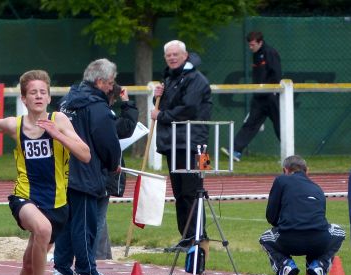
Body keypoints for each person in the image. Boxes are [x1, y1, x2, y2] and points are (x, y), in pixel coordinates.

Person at [0, 70, 90, 275]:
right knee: (41, 230)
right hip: (25, 198)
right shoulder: (15, 125)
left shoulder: (60, 120)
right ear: (23, 98)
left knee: (30, 264)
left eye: (43, 92)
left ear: (49, 95)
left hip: (57, 204)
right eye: (33, 92)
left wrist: (59, 136)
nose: (39, 96)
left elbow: (85, 155)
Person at [52, 58, 122, 275]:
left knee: (66, 224)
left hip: (64, 171)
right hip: (86, 174)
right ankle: (86, 271)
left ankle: (62, 269)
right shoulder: (97, 107)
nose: (112, 87)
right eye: (110, 82)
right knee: (85, 225)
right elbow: (108, 143)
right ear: (100, 82)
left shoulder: (67, 101)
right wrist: (113, 164)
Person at [151, 40, 212, 251]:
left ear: (185, 55)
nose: (172, 58)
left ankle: (198, 236)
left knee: (194, 191)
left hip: (195, 144)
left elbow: (189, 108)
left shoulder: (196, 79)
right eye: (168, 55)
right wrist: (157, 98)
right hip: (174, 144)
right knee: (180, 193)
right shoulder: (169, 78)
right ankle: (186, 238)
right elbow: (167, 105)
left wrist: (162, 115)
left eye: (176, 54)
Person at [259, 155, 345, 275]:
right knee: (339, 232)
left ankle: (285, 264)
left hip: (289, 240)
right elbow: (318, 220)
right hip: (318, 240)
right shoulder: (317, 188)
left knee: (265, 238)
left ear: (285, 170)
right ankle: (319, 265)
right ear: (307, 171)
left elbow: (271, 216)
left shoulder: (281, 180)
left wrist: (283, 225)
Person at [222, 31, 281, 162]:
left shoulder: (270, 53)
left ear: (260, 42)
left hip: (271, 95)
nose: (250, 48)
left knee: (280, 125)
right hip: (259, 97)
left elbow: (276, 74)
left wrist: (272, 90)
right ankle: (235, 150)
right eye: (249, 45)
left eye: (253, 45)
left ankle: (289, 156)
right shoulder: (256, 54)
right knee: (250, 123)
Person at [95, 83, 138, 260]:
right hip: (102, 172)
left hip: (93, 172)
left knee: (98, 217)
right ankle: (95, 258)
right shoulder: (103, 115)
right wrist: (127, 102)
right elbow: (125, 128)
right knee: (97, 217)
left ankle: (103, 255)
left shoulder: (89, 112)